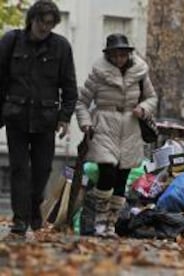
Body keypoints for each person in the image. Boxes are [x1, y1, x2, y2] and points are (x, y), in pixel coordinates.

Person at [0, 0, 78, 235]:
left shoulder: (61, 47)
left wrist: (65, 117)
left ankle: (34, 209)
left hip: (46, 120)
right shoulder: (11, 41)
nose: (45, 28)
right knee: (19, 169)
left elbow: (69, 86)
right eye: (41, 22)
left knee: (42, 170)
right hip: (16, 117)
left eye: (50, 23)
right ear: (31, 20)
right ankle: (20, 219)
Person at [75, 33, 158, 238]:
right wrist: (85, 124)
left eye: (123, 54)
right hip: (104, 125)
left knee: (121, 180)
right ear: (108, 55)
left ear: (129, 54)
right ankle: (100, 222)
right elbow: (81, 103)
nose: (119, 58)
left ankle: (110, 225)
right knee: (107, 174)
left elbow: (152, 98)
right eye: (115, 54)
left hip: (130, 128)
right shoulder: (98, 73)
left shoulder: (140, 73)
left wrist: (143, 108)